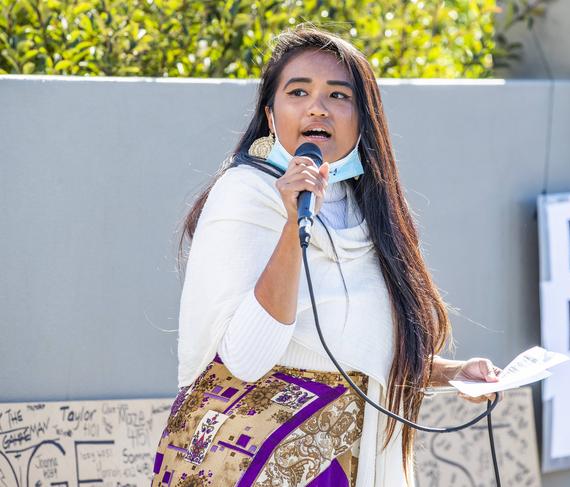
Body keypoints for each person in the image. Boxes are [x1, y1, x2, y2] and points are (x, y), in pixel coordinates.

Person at [152, 25, 501, 487]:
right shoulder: (244, 196)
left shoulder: (370, 214)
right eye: (298, 91)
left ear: (362, 119)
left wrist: (455, 373)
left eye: (339, 95)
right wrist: (291, 223)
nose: (318, 106)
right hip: (255, 467)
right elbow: (246, 359)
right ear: (271, 116)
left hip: (345, 466)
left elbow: (359, 353)